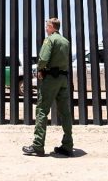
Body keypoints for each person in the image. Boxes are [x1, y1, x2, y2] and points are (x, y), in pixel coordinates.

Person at [22, 18, 73, 156]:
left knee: (42, 110)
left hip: (51, 78)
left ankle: (38, 145)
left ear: (51, 26)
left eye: (47, 26)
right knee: (65, 112)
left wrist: (39, 69)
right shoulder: (65, 41)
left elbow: (43, 58)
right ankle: (68, 145)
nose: (46, 28)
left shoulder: (50, 40)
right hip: (63, 79)